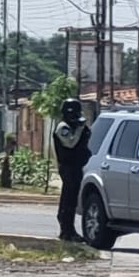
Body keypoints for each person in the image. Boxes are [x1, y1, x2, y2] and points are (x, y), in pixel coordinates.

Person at [53, 98, 91, 241]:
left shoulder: (74, 127)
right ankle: (66, 229)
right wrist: (80, 129)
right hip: (67, 167)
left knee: (72, 199)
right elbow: (70, 143)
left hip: (76, 167)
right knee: (68, 199)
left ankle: (69, 229)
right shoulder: (63, 127)